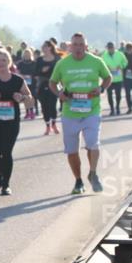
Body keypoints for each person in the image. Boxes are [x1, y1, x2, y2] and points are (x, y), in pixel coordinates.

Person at [49, 32, 111, 194]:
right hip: (70, 112)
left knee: (93, 144)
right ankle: (78, 181)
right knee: (72, 150)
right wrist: (59, 94)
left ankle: (93, 173)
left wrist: (101, 88)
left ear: (86, 46)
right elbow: (52, 82)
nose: (78, 48)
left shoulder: (96, 61)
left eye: (81, 44)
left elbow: (108, 77)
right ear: (70, 47)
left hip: (92, 110)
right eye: (75, 44)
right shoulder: (62, 64)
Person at [0, 49, 34, 195]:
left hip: (11, 122)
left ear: (9, 62)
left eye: (4, 60)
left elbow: (29, 98)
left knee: (6, 152)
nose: (1, 63)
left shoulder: (17, 80)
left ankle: (6, 185)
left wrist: (21, 97)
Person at [36, 41, 61, 135]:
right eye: (42, 46)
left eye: (45, 46)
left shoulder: (57, 58)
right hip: (42, 84)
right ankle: (47, 126)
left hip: (54, 84)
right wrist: (42, 70)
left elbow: (61, 71)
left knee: (52, 105)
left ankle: (54, 124)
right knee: (44, 106)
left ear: (50, 47)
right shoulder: (39, 59)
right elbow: (35, 72)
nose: (43, 48)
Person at [100, 42, 128, 116]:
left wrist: (120, 66)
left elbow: (125, 62)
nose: (110, 49)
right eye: (109, 48)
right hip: (109, 79)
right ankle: (112, 109)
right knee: (109, 95)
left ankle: (117, 107)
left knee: (118, 95)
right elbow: (101, 66)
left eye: (111, 48)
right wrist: (106, 68)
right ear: (107, 48)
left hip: (118, 78)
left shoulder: (120, 54)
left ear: (114, 47)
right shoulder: (104, 56)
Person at [16, 48, 39, 119]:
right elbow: (17, 72)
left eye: (28, 54)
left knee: (32, 96)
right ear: (23, 55)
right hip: (23, 82)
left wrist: (31, 76)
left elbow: (37, 73)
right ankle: (27, 112)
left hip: (33, 82)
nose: (27, 55)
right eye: (25, 54)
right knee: (25, 97)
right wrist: (22, 76)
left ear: (30, 54)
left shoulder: (34, 63)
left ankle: (33, 111)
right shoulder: (20, 63)